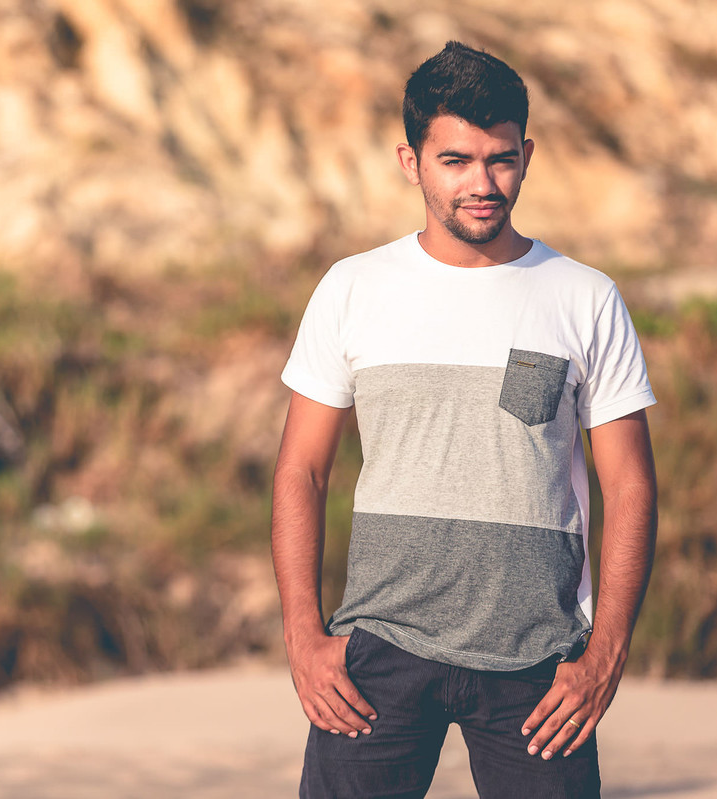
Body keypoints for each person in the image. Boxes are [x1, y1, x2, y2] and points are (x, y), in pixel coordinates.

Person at [272, 42, 658, 798]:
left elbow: (632, 485)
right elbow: (301, 469)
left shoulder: (583, 296)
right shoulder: (354, 288)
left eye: (501, 159)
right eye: (455, 161)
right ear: (410, 161)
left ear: (527, 154)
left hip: (540, 666)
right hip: (378, 651)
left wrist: (605, 651)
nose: (483, 184)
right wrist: (304, 638)